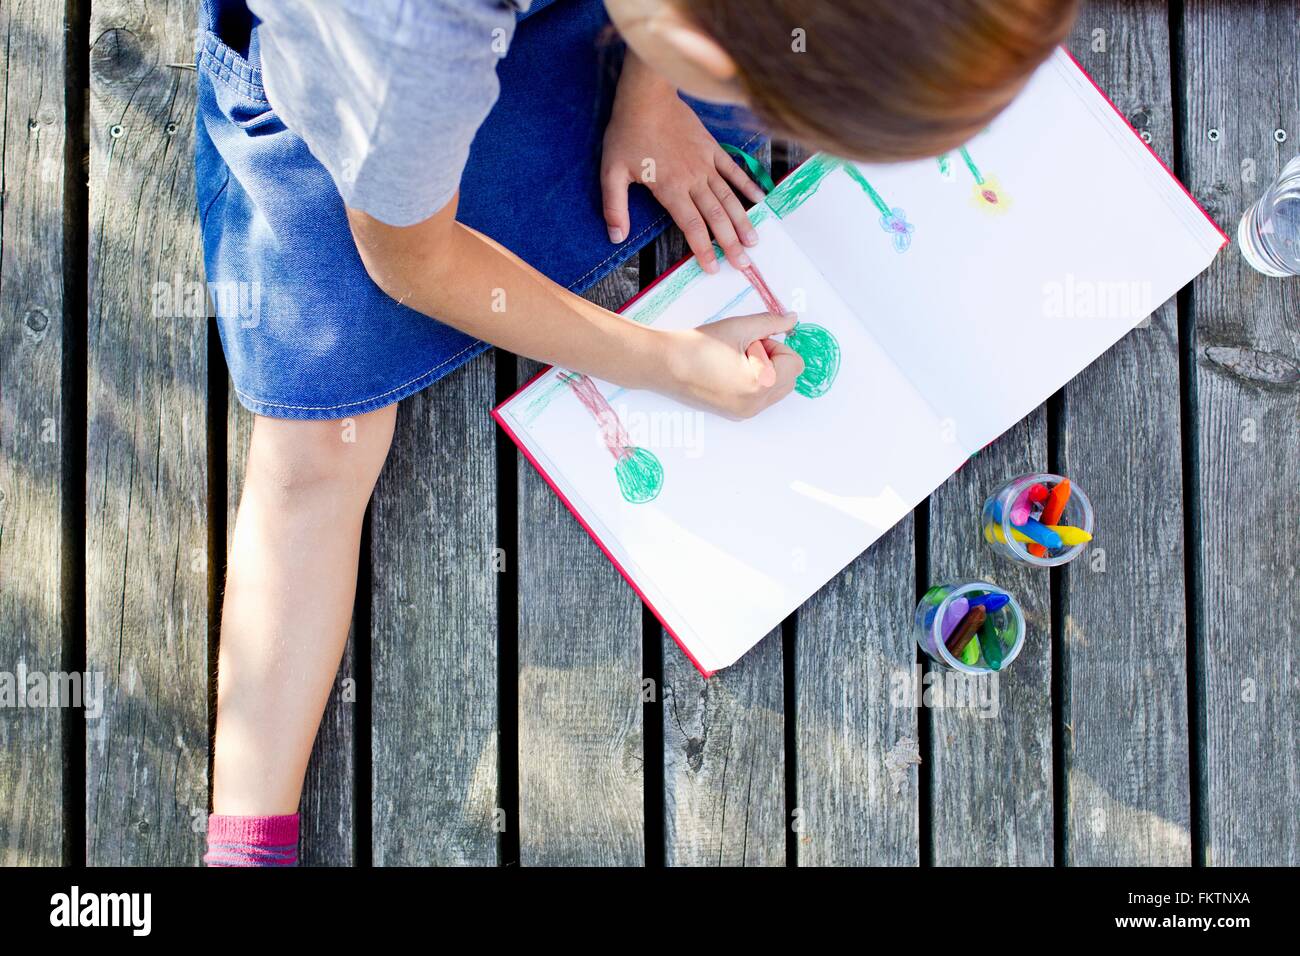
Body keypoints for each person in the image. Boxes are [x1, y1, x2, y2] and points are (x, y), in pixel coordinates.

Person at [195, 0, 1080, 865]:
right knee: (319, 449)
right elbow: (414, 264)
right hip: (347, 90)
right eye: (761, 98)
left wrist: (651, 96)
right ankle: (244, 844)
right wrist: (667, 361)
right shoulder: (405, 54)